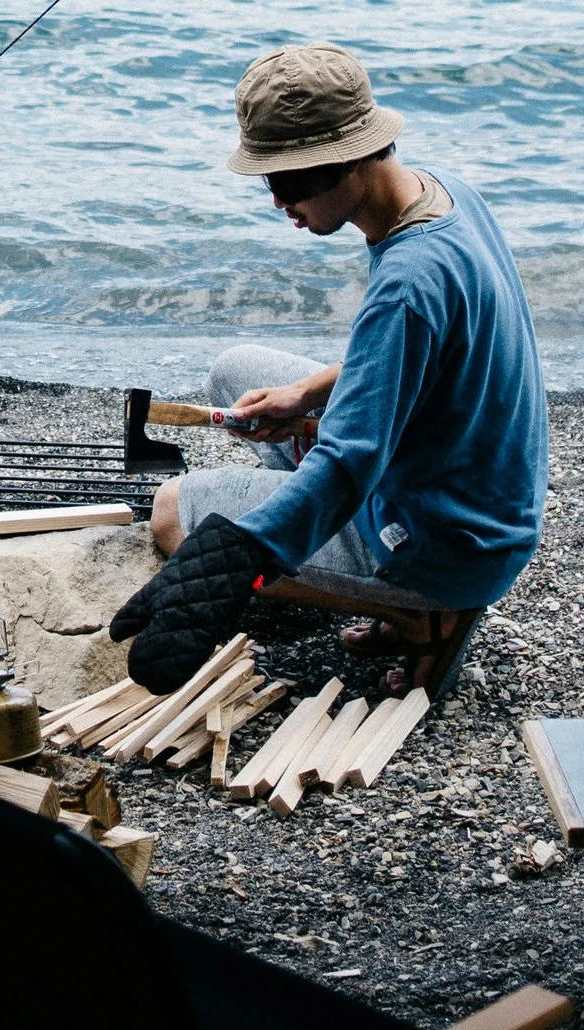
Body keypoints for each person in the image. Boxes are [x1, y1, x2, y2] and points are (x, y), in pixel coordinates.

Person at [112, 41, 548, 701]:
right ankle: (349, 563)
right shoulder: (441, 195)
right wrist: (304, 394)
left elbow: (349, 463)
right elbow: (423, 354)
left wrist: (241, 552)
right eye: (269, 180)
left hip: (441, 535)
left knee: (172, 512)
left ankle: (419, 613)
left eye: (288, 182)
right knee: (235, 371)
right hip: (481, 486)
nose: (279, 203)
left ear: (347, 160)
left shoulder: (409, 278)